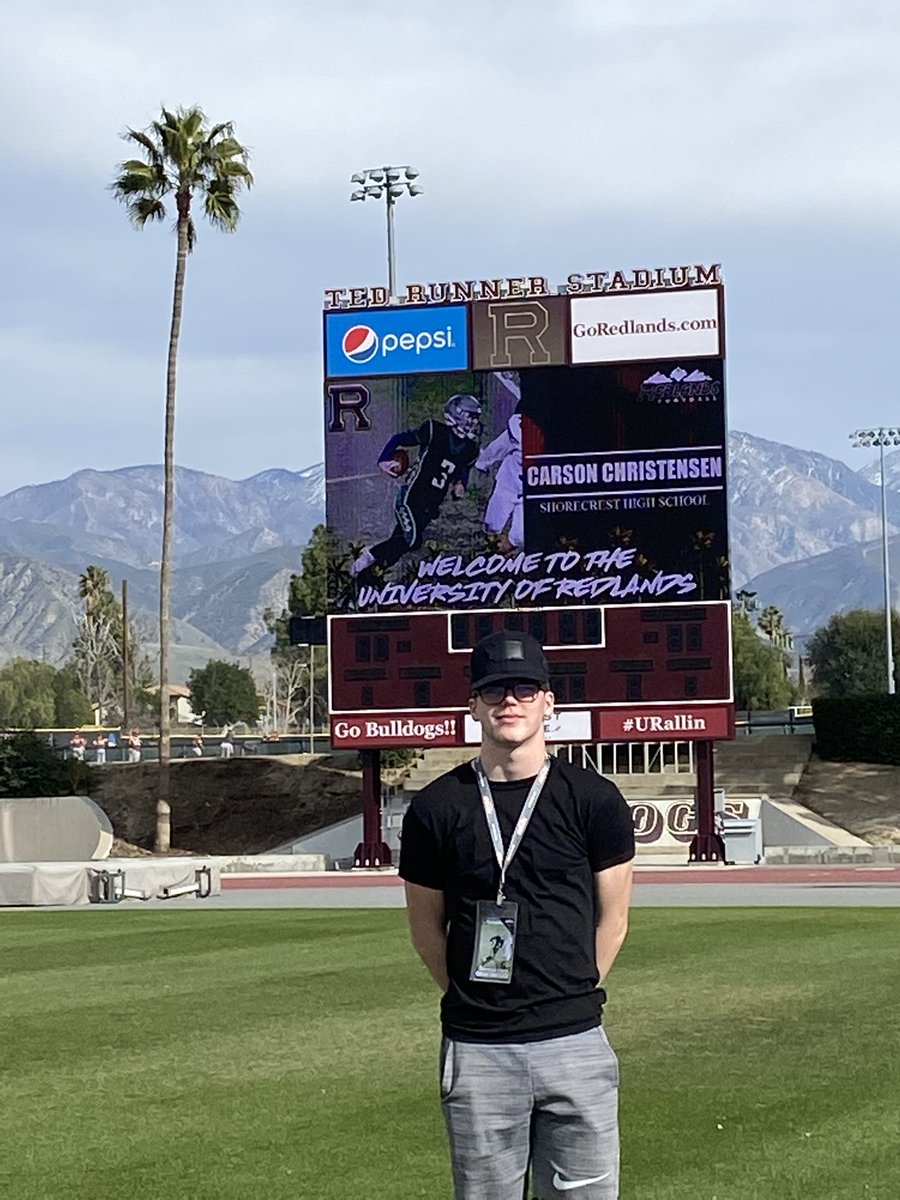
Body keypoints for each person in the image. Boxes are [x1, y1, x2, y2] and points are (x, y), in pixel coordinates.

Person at [399, 631, 635, 1200]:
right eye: (494, 689)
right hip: (478, 1048)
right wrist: (475, 998)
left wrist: (571, 993)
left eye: (524, 688)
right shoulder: (436, 809)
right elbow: (425, 929)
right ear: (474, 705)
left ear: (548, 702)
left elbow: (614, 920)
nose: (510, 701)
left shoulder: (595, 801)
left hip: (574, 1040)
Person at [349, 394, 483, 586]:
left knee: (399, 545)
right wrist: (384, 459)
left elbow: (462, 469)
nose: (473, 422)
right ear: (457, 414)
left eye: (475, 417)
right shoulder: (434, 430)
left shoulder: (470, 448)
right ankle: (369, 555)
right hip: (411, 498)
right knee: (412, 541)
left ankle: (365, 581)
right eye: (470, 416)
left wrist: (460, 484)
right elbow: (400, 439)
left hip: (430, 506)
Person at [475, 412, 523, 552]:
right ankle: (490, 546)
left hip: (531, 490)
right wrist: (481, 463)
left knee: (519, 536)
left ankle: (507, 552)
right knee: (493, 523)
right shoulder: (519, 429)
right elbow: (496, 449)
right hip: (508, 483)